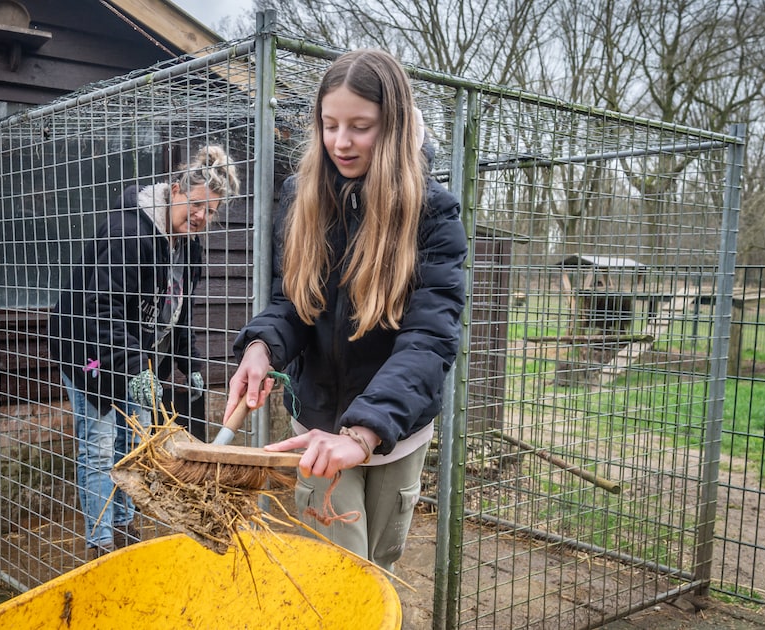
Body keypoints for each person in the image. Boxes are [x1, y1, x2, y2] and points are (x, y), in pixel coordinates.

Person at [223, 49, 467, 571]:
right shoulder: (301, 198)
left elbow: (430, 338)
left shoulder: (432, 212)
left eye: (361, 126)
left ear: (395, 127)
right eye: (330, 125)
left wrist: (364, 432)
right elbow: (291, 301)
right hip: (315, 427)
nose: (341, 142)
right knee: (337, 572)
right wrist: (262, 348)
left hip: (395, 431)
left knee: (378, 564)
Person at [50, 145, 240, 558]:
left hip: (134, 353)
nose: (201, 218)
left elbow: (180, 309)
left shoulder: (188, 246)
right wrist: (137, 371)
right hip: (89, 349)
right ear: (175, 190)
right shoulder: (129, 231)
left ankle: (124, 529)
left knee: (133, 444)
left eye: (211, 211)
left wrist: (188, 365)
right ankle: (101, 548)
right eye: (196, 205)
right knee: (99, 446)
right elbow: (101, 310)